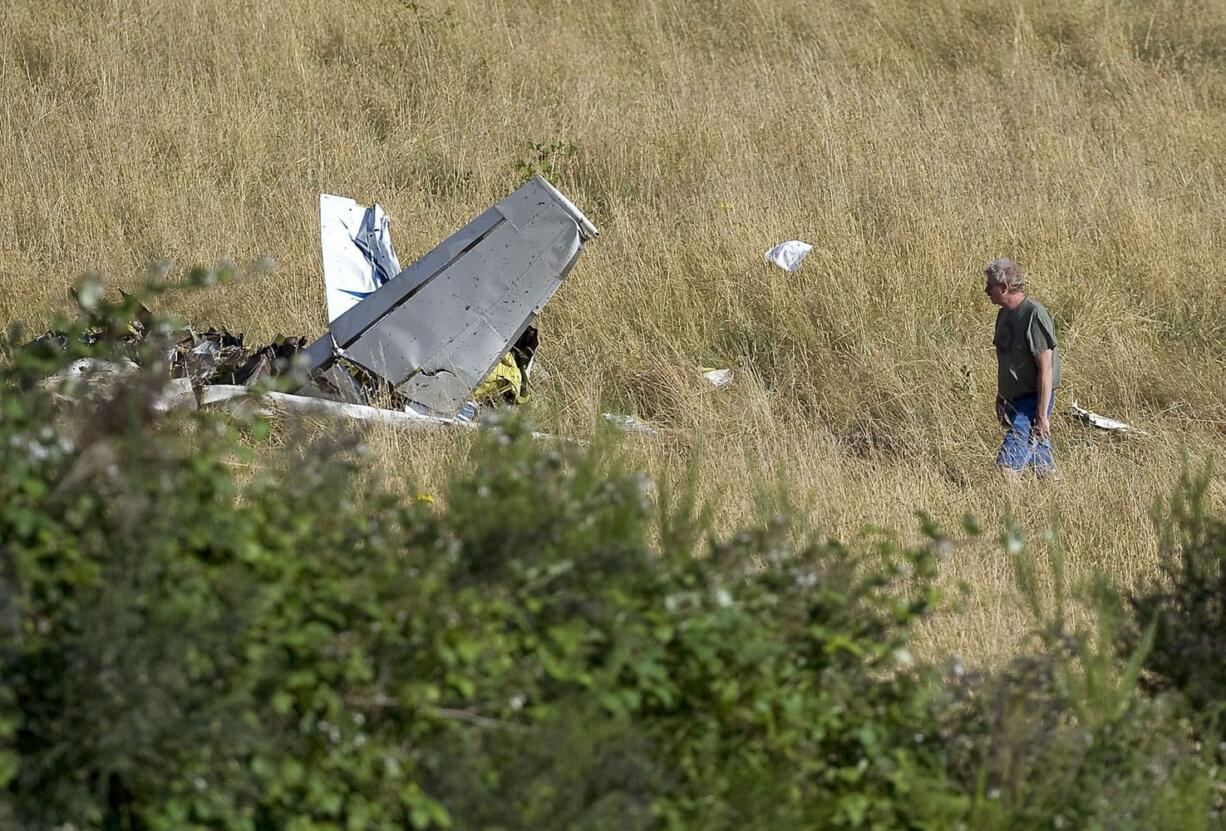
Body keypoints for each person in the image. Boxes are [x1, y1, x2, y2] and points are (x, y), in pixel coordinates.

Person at [983, 258, 1061, 482]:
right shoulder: (1003, 315)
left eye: (990, 286)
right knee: (1044, 471)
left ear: (1005, 287)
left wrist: (1041, 414)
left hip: (1032, 402)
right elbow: (1008, 361)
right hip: (1016, 401)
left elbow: (1046, 369)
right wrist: (1002, 397)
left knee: (1006, 468)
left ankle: (1015, 516)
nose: (986, 290)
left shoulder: (1034, 314)